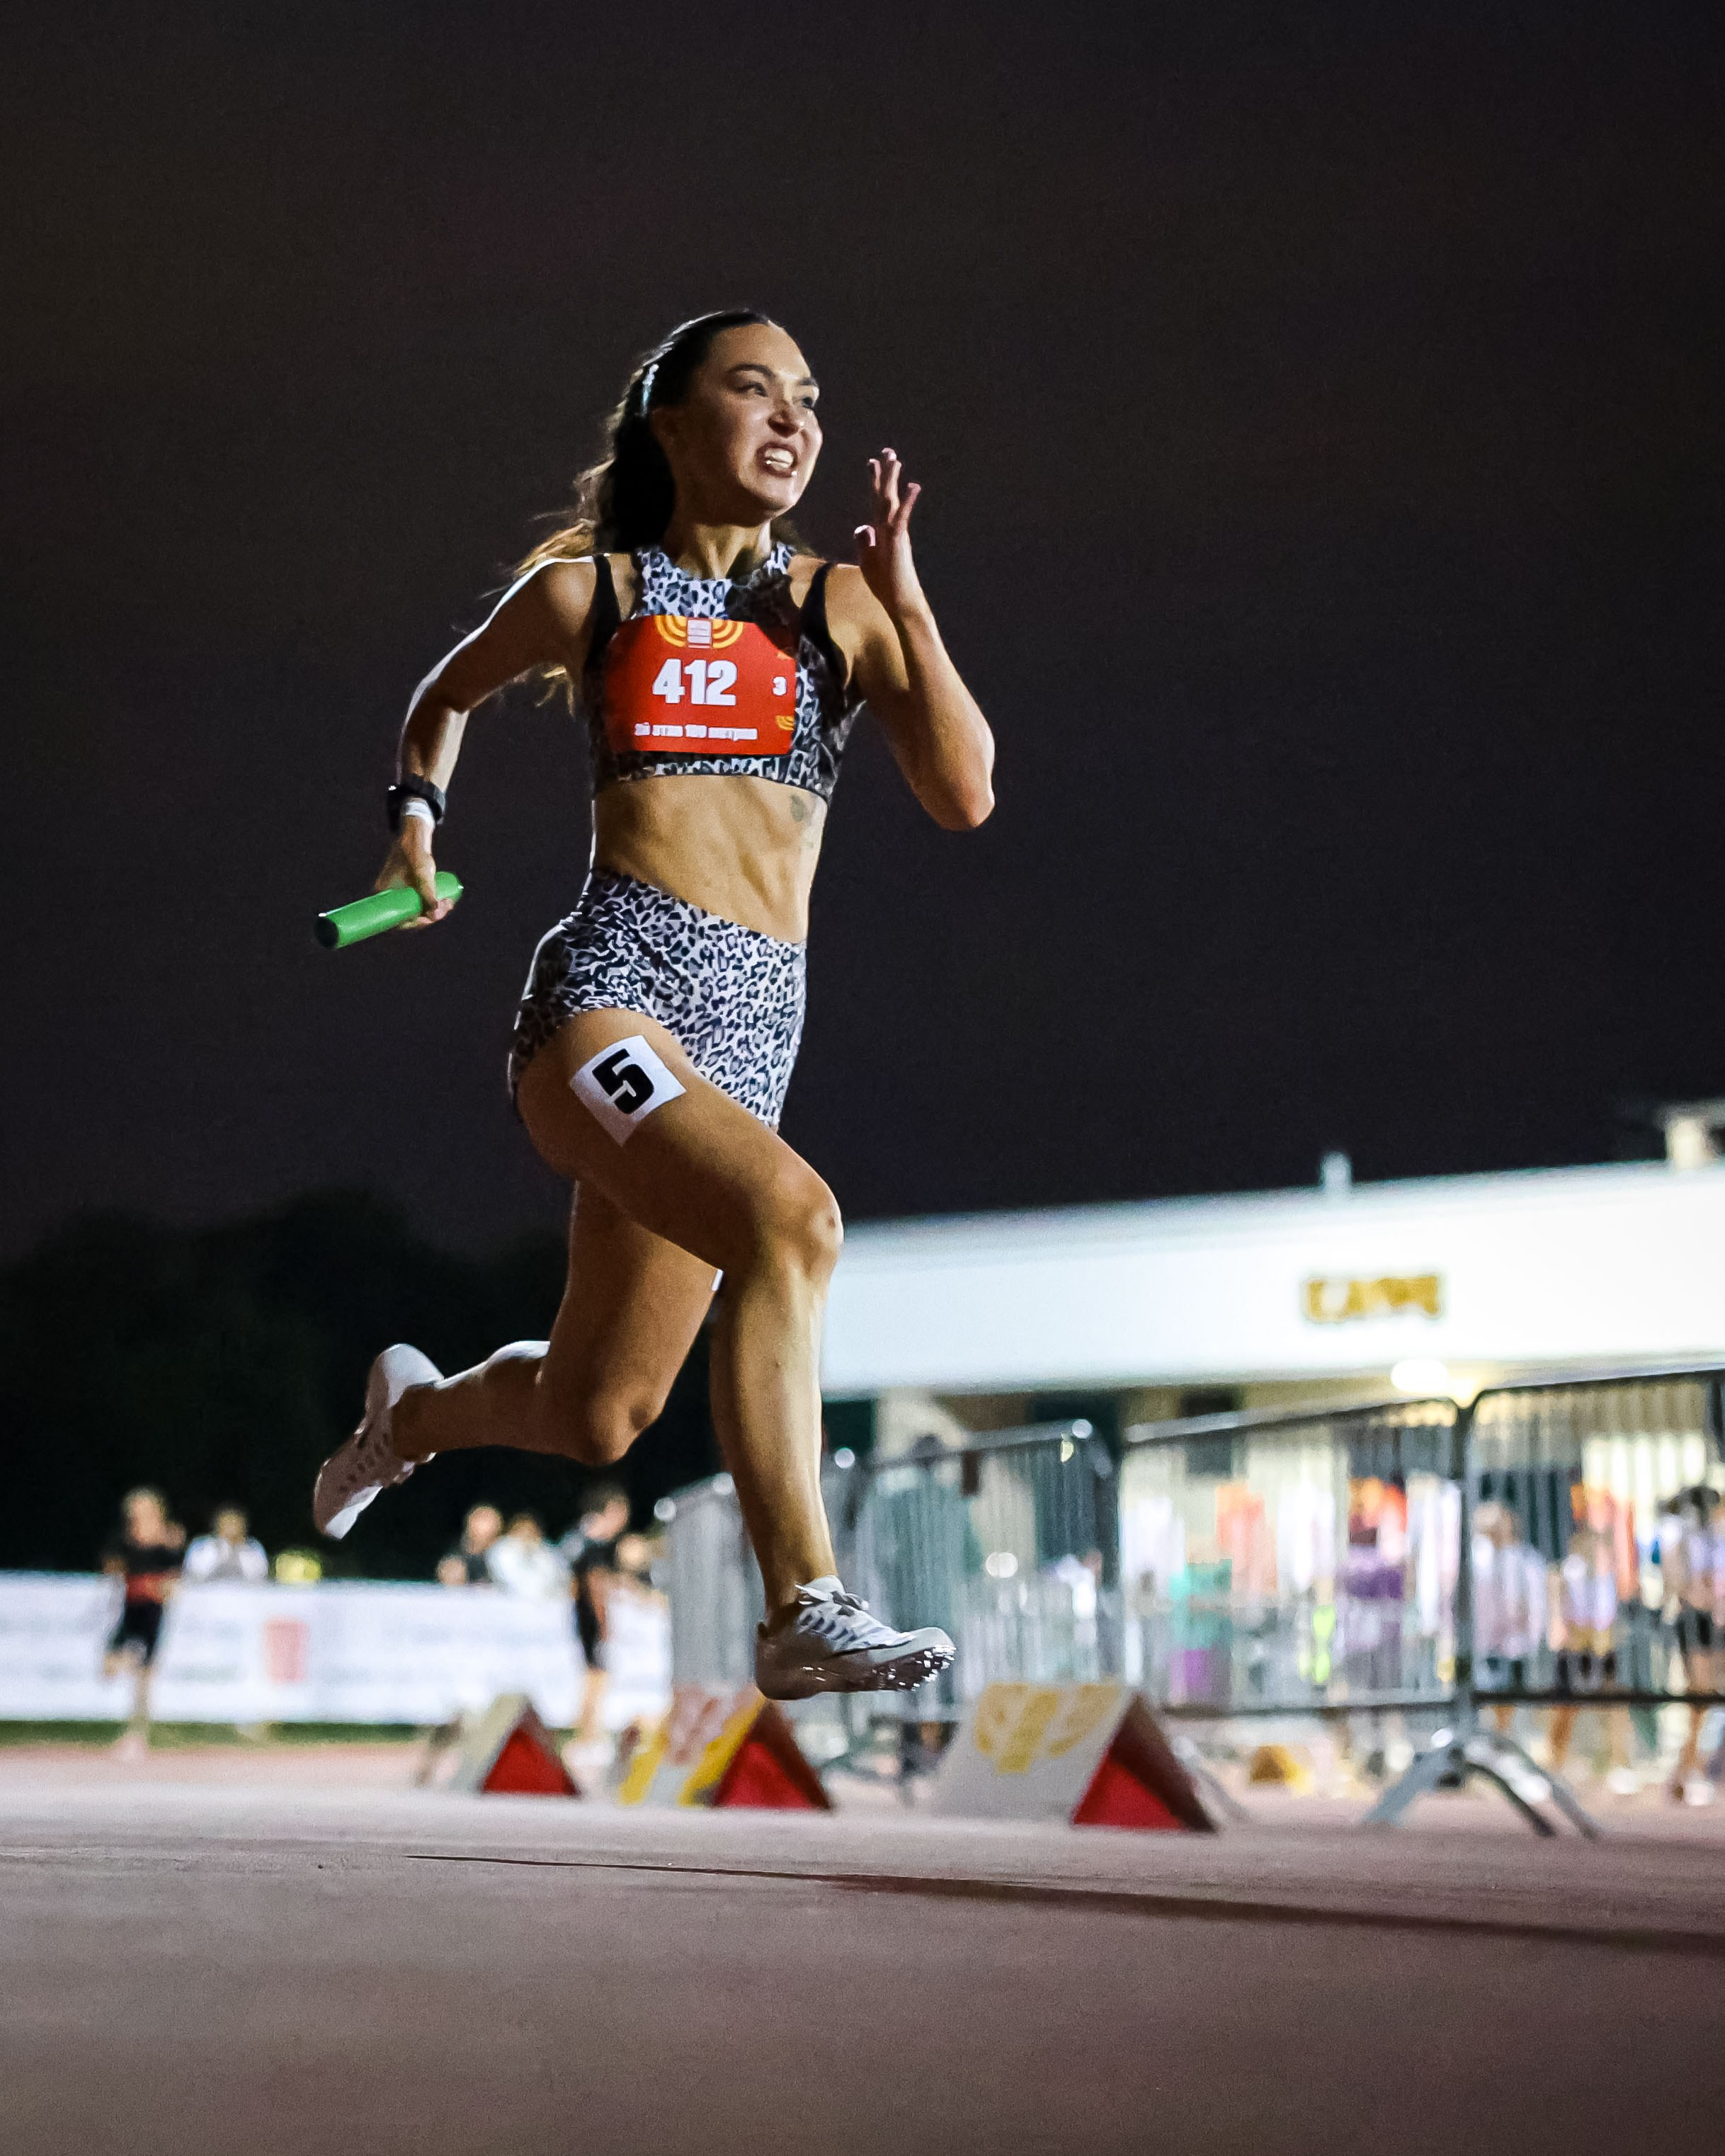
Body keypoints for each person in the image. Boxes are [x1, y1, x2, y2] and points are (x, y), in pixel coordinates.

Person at [313, 311, 990, 1699]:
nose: (795, 418)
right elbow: (444, 695)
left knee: (598, 1409)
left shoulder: (836, 610)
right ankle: (806, 1599)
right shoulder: (597, 594)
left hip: (750, 1039)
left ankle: (413, 1412)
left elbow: (965, 792)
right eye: (755, 391)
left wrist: (906, 594)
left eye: (809, 394)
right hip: (608, 1004)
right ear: (671, 426)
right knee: (794, 1222)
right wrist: (414, 826)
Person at [100, 1488, 185, 1760]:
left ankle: (137, 1736)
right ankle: (134, 1732)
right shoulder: (125, 1537)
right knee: (110, 1665)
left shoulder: (169, 1538)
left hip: (152, 1610)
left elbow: (175, 1576)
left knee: (144, 1678)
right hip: (129, 1607)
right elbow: (111, 1564)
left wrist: (163, 1586)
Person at [1661, 1485, 1725, 1804]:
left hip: (1717, 1621)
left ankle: (1697, 1768)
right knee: (1702, 1697)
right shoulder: (1684, 1540)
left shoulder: (1718, 1538)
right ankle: (1688, 1770)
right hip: (1697, 1624)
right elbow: (1680, 1583)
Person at [561, 1486, 631, 1746]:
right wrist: (604, 1622)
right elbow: (595, 1584)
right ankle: (588, 1735)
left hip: (580, 1614)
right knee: (597, 1677)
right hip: (590, 1614)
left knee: (590, 1675)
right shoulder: (596, 1544)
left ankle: (585, 1734)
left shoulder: (579, 1538)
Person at [487, 1512, 572, 1599]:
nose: (526, 1534)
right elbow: (508, 1578)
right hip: (509, 1602)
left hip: (545, 1603)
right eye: (522, 1529)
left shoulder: (547, 1551)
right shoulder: (501, 1550)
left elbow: (557, 1576)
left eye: (530, 1530)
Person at [183, 1506, 269, 1585]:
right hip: (208, 1594)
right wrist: (221, 1548)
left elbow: (259, 1575)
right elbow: (196, 1572)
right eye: (227, 1524)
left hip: (244, 1595)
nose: (232, 1528)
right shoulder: (200, 1545)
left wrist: (239, 1550)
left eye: (235, 1524)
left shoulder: (254, 1547)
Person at [435, 1503, 503, 1587]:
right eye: (482, 1519)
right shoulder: (456, 1556)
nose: (488, 1525)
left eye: (490, 1520)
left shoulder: (501, 1555)